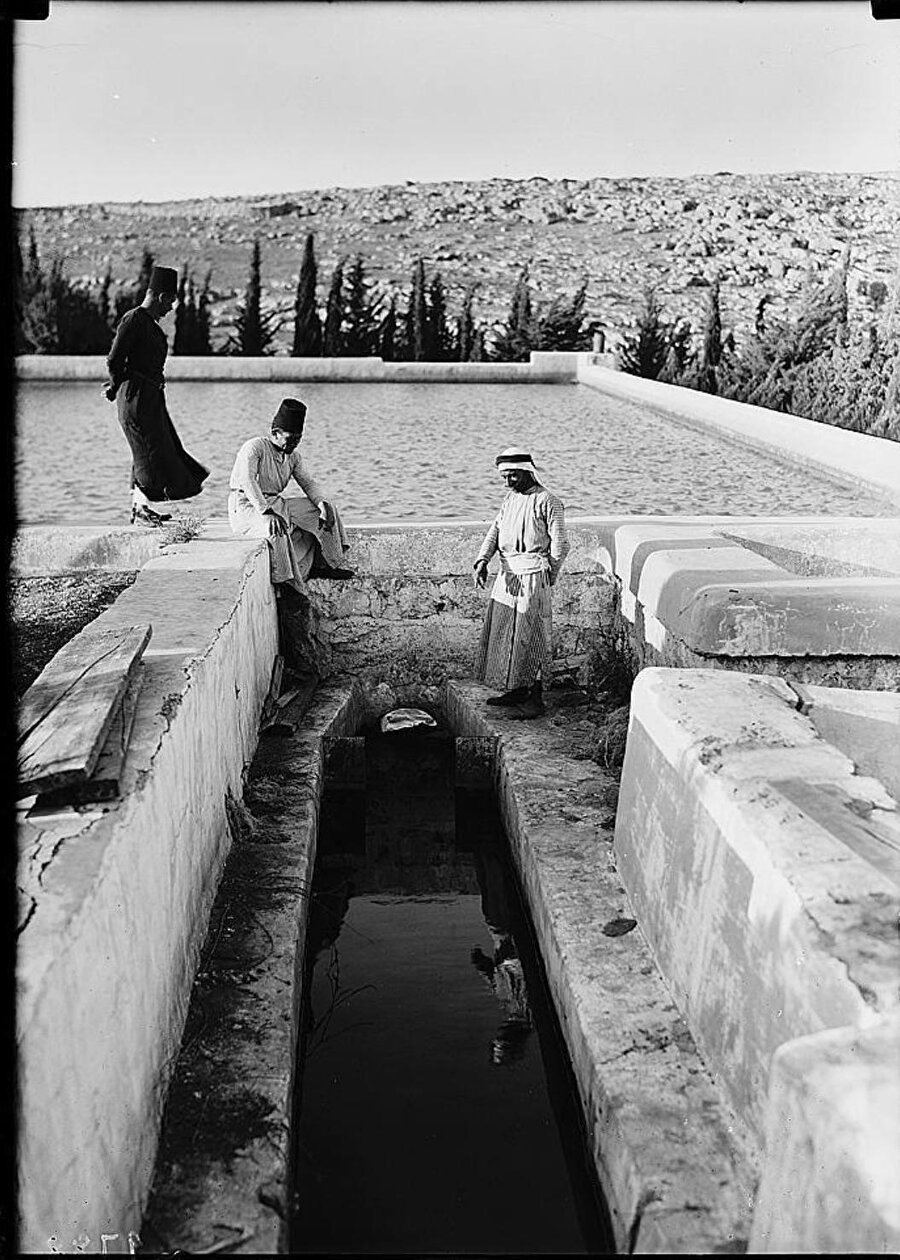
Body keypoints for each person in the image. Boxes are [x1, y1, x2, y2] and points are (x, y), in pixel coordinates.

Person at [104, 264, 209, 525]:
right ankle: (140, 510)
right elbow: (115, 359)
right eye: (171, 301)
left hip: (148, 399)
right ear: (161, 296)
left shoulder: (148, 323)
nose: (171, 308)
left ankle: (140, 506)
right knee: (148, 453)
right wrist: (115, 385)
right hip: (137, 399)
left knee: (159, 451)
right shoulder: (133, 319)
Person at [473, 447, 569, 719]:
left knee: (532, 633)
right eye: (505, 477)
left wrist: (549, 575)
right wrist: (482, 560)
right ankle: (516, 688)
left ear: (528, 472)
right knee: (506, 633)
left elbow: (561, 545)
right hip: (507, 575)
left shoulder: (549, 501)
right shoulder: (510, 499)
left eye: (513, 477)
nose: (508, 483)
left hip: (532, 575)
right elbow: (495, 530)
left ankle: (535, 696)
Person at [228, 397, 352, 592]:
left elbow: (308, 482)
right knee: (274, 527)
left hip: (275, 503)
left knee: (326, 509)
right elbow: (247, 481)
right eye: (290, 438)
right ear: (275, 433)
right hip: (247, 506)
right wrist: (265, 511)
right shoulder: (255, 447)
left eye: (298, 439)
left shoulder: (293, 456)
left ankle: (324, 564)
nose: (294, 443)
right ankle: (285, 583)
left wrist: (321, 505)